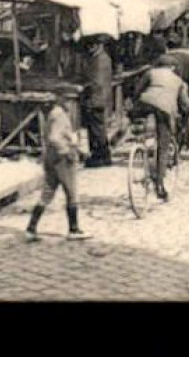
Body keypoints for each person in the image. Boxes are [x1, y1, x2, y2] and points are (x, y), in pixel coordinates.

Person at [25, 87, 89, 241]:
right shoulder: (60, 115)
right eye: (69, 99)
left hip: (51, 157)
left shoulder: (54, 113)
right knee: (72, 193)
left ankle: (31, 228)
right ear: (62, 99)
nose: (72, 103)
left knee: (47, 193)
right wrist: (66, 151)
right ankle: (73, 229)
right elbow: (54, 138)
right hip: (62, 159)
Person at [134, 53, 189, 201]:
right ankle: (159, 183)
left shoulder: (150, 73)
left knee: (142, 120)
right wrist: (183, 115)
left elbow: (138, 90)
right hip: (164, 110)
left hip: (145, 104)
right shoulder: (179, 81)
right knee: (163, 145)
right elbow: (184, 104)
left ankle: (141, 139)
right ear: (172, 67)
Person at [78, 36, 115, 168]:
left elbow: (96, 82)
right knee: (97, 127)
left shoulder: (99, 60)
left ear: (97, 45)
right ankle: (100, 154)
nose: (89, 49)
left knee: (97, 129)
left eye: (91, 46)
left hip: (96, 99)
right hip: (99, 98)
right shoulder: (102, 57)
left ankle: (101, 156)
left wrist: (84, 87)